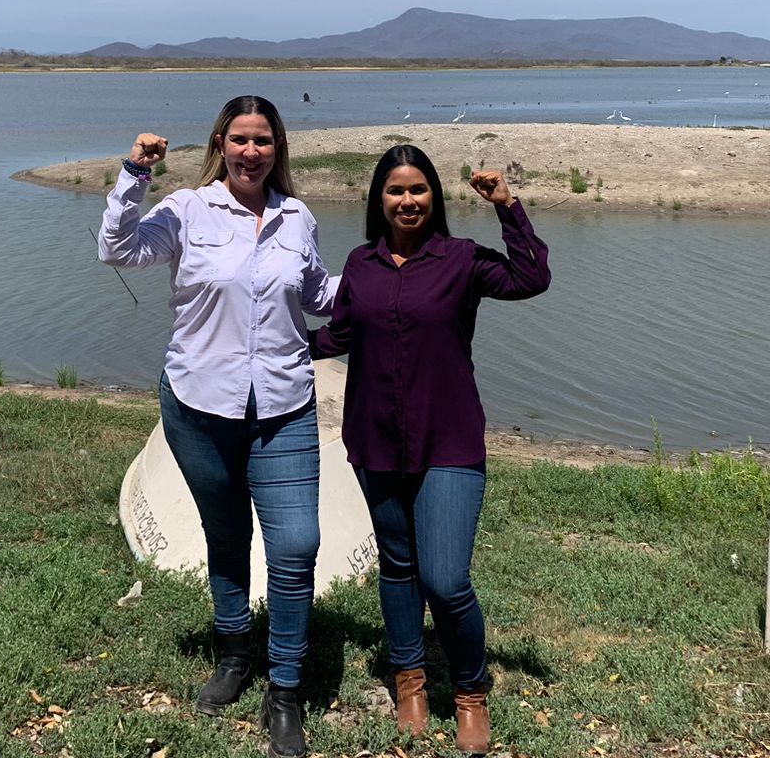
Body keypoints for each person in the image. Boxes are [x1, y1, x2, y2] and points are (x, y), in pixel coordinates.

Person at [98, 95, 335, 758]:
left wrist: (393, 276)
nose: (251, 152)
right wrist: (135, 174)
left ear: (277, 149)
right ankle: (233, 653)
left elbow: (318, 293)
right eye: (240, 139)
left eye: (263, 140)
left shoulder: (298, 218)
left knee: (297, 546)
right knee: (226, 536)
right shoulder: (186, 210)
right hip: (199, 407)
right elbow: (117, 248)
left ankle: (284, 688)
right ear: (220, 145)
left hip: (283, 408)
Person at [314, 144, 550, 755]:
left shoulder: (461, 259)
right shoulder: (361, 263)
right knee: (398, 567)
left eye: (418, 189)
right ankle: (410, 680)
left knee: (445, 580)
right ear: (379, 199)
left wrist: (507, 206)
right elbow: (340, 333)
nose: (408, 200)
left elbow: (531, 277)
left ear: (434, 196)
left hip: (449, 439)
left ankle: (470, 692)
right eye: (395, 190)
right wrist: (270, 341)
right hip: (376, 439)